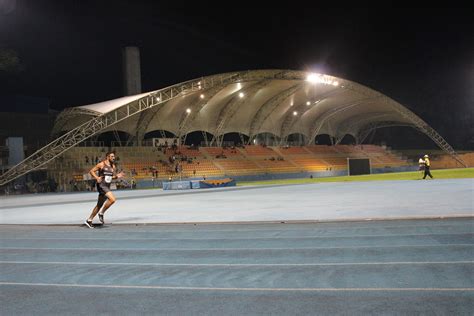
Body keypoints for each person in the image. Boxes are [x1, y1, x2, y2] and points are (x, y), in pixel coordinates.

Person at [84, 151, 124, 228]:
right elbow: (91, 171)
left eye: (114, 156)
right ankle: (101, 213)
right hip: (101, 185)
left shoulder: (113, 166)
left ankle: (89, 220)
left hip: (107, 186)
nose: (114, 158)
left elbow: (109, 177)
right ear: (107, 157)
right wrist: (97, 177)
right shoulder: (101, 164)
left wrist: (116, 177)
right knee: (112, 199)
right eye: (112, 156)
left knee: (99, 205)